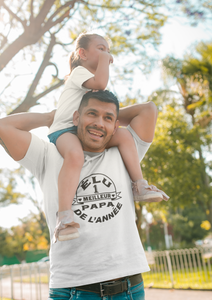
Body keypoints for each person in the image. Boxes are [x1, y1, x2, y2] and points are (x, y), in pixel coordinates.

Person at [0, 89, 168, 300]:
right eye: (91, 113)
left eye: (108, 118)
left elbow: (148, 110)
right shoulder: (47, 154)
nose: (99, 123)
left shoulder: (125, 151)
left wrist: (105, 119)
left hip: (128, 288)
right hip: (72, 290)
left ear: (115, 126)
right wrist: (52, 117)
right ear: (76, 117)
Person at [46, 32, 168, 242]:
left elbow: (104, 103)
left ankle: (139, 184)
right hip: (64, 131)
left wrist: (111, 119)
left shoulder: (92, 85)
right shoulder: (79, 73)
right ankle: (64, 217)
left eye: (107, 49)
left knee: (121, 135)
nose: (106, 53)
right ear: (82, 53)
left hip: (82, 130)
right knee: (75, 155)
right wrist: (105, 59)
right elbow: (102, 83)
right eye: (100, 48)